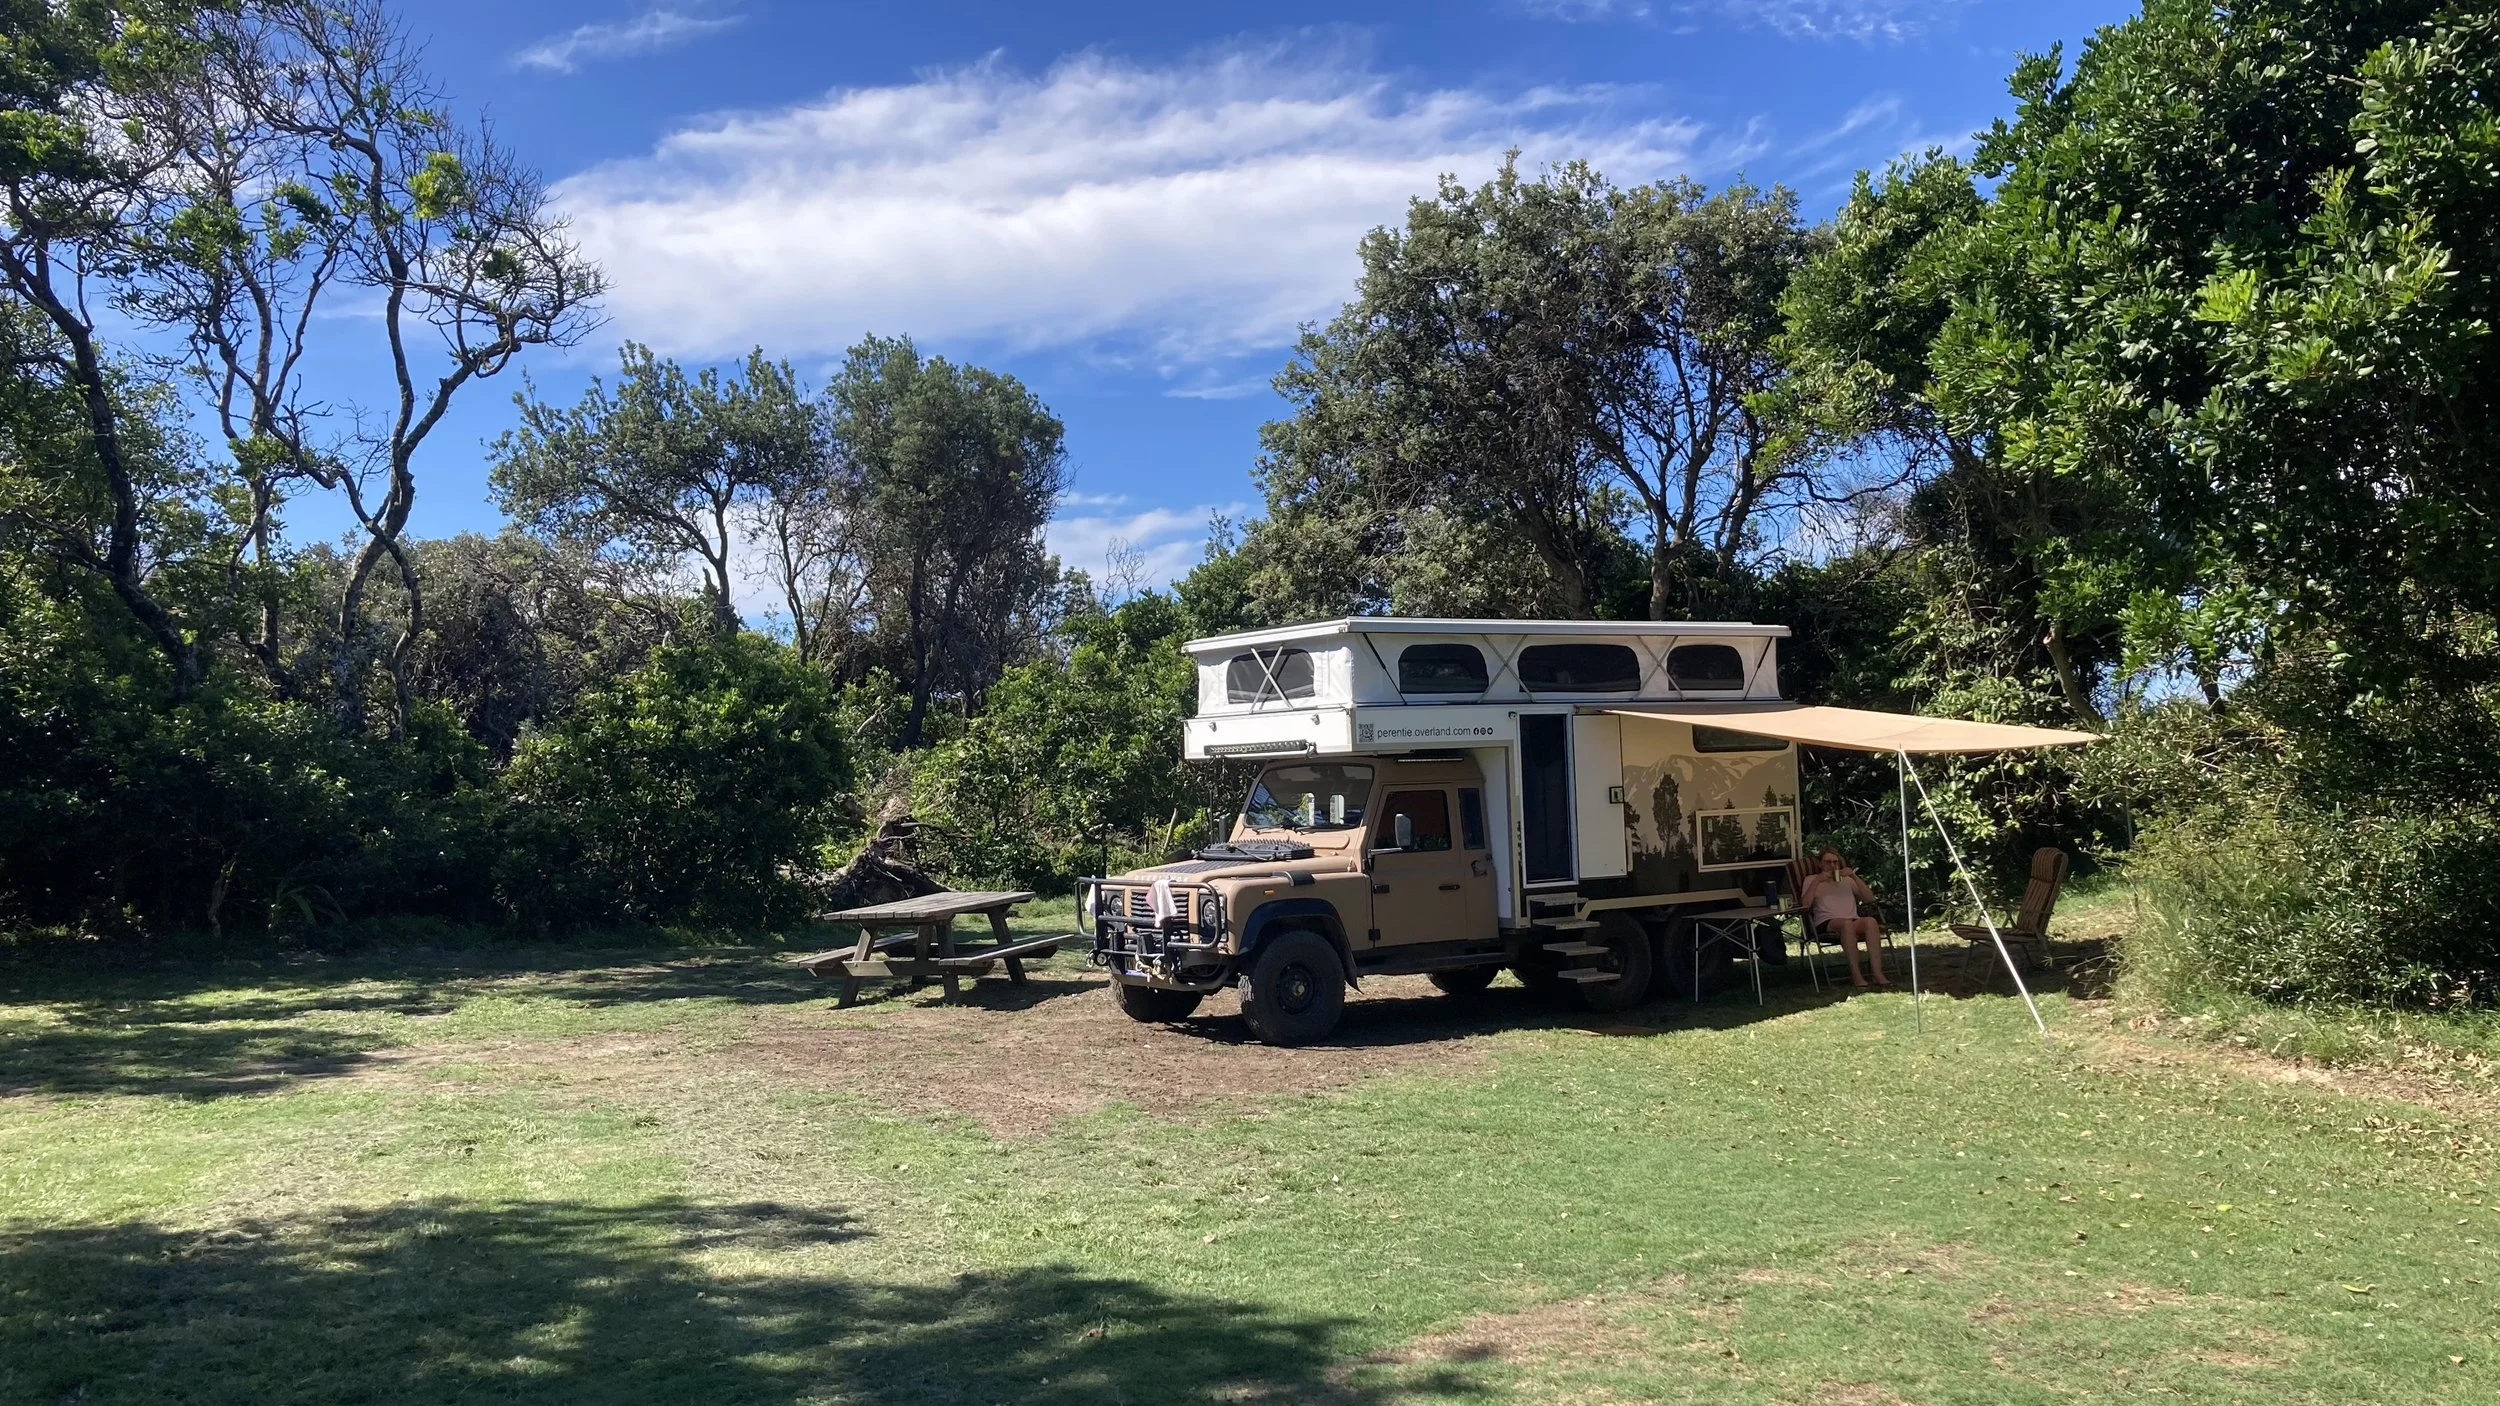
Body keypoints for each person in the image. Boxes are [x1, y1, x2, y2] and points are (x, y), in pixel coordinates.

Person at [1802, 848, 1889, 989]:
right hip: (1826, 922)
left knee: (1871, 922)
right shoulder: (1811, 880)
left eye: (1835, 862)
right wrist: (1818, 881)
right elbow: (1805, 905)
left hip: (1852, 920)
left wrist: (1854, 876)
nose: (1832, 865)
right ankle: (1857, 976)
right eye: (1828, 862)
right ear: (1820, 864)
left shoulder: (1847, 880)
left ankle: (1877, 973)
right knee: (1846, 924)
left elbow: (1870, 899)